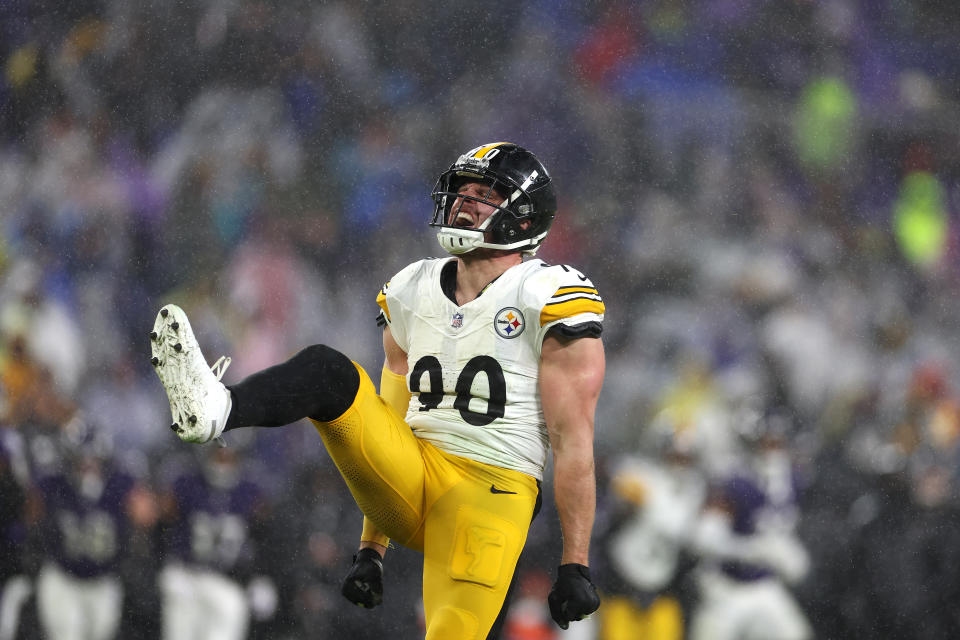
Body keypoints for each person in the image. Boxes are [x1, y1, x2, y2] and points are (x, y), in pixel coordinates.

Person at [150, 141, 605, 638]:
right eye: (461, 191)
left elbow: (573, 440)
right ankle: (218, 407)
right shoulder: (413, 287)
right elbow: (392, 417)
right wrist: (372, 548)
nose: (464, 203)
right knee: (330, 371)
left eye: (483, 194)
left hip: (492, 491)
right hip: (416, 469)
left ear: (522, 218)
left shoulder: (549, 294)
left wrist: (574, 562)